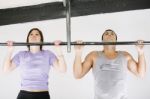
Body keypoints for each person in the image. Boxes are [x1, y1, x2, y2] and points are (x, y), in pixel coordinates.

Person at [73, 29, 146, 99]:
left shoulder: (125, 56)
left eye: (112, 34)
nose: (109, 35)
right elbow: (78, 74)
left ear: (116, 39)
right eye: (106, 34)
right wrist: (78, 53)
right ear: (102, 40)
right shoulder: (93, 55)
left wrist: (141, 52)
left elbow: (140, 74)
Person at [3, 28, 67, 99]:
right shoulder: (21, 55)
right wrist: (9, 51)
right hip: (24, 95)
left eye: (37, 34)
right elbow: (6, 70)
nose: (34, 36)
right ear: (28, 39)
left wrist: (59, 51)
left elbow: (62, 70)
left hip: (42, 95)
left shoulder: (48, 54)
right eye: (31, 34)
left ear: (41, 39)